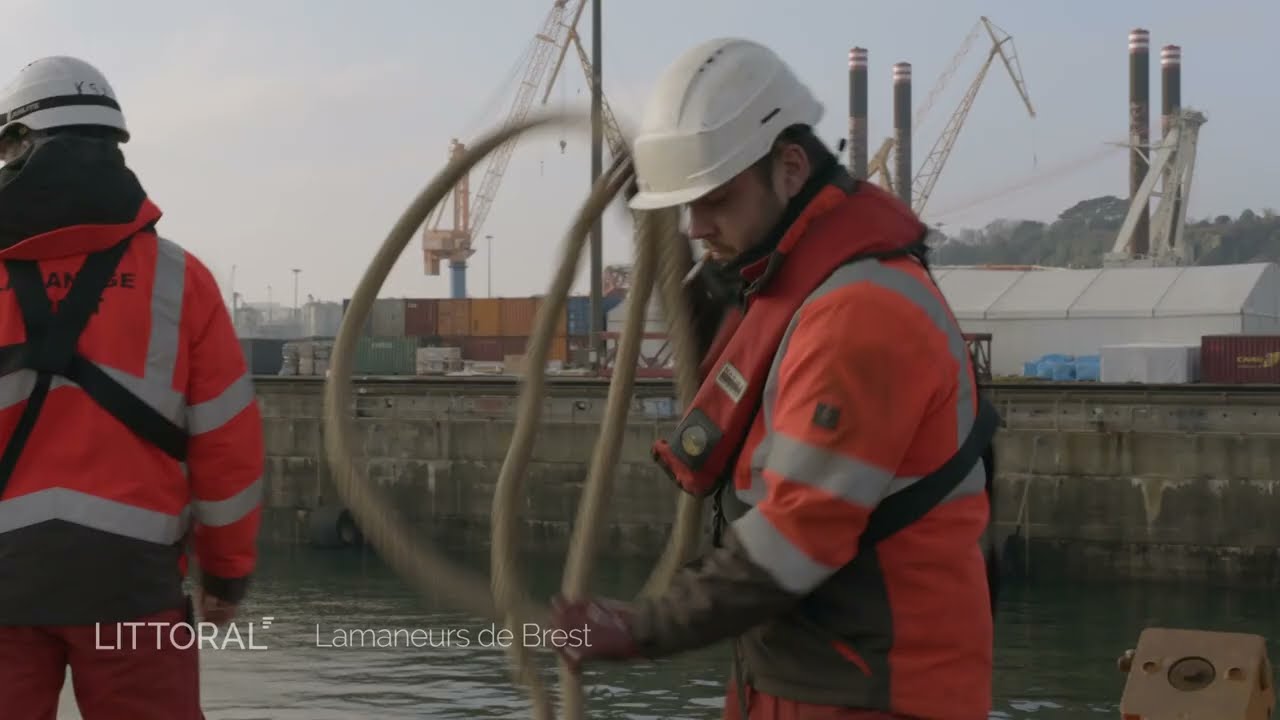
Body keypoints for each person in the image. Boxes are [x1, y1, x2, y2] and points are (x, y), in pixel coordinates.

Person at [549, 38, 1001, 720]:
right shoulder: (798, 282)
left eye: (717, 199)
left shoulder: (860, 314)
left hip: (874, 697)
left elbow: (796, 540)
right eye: (686, 206)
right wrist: (664, 233)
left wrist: (636, 629)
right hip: (802, 683)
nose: (699, 227)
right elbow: (727, 352)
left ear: (790, 167)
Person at [0, 56, 264, 719]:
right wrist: (226, 574)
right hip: (132, 585)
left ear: (19, 145)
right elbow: (228, 452)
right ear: (114, 146)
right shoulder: (182, 279)